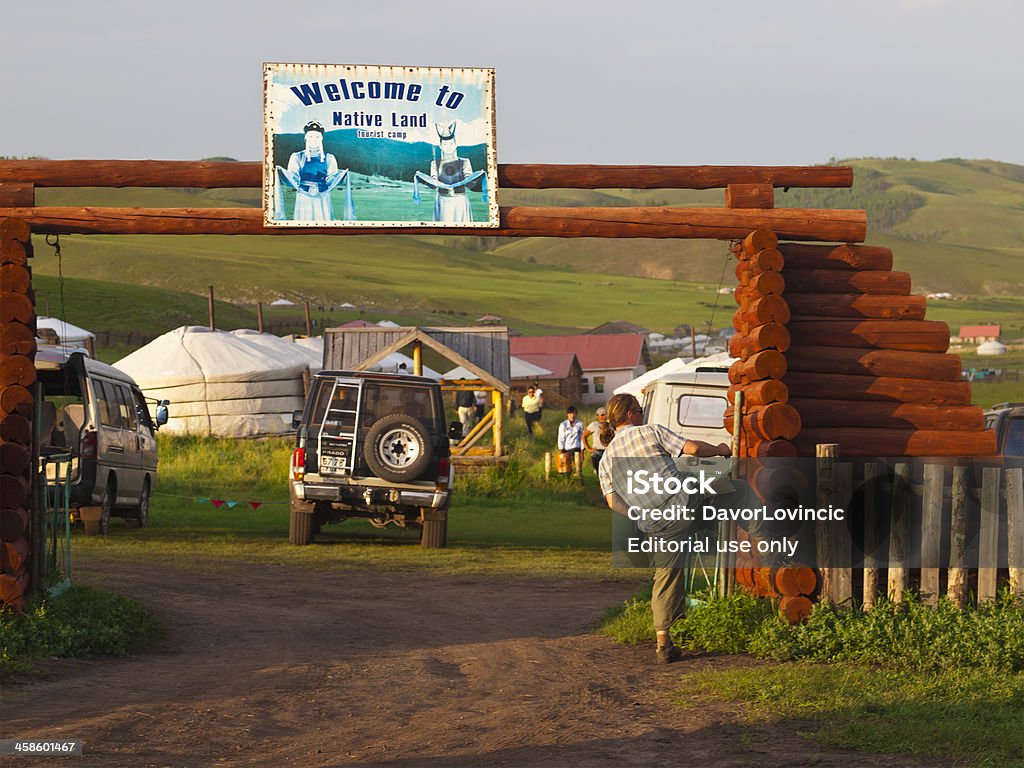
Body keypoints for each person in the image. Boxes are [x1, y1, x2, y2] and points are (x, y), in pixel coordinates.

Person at [597, 392, 731, 665]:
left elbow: (612, 501)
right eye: (639, 409)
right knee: (728, 487)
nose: (642, 413)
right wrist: (720, 449)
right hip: (683, 502)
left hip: (656, 524)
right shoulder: (650, 432)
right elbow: (692, 449)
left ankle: (663, 645)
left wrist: (638, 513)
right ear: (632, 414)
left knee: (666, 576)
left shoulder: (606, 458)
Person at [274, 121, 354, 222]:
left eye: (317, 137)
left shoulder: (329, 158)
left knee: (324, 219)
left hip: (323, 195)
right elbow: (293, 178)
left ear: (321, 139)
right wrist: (282, 172)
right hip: (304, 195)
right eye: (311, 136)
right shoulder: (297, 156)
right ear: (306, 138)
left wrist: (341, 175)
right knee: (304, 220)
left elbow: (331, 179)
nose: (314, 140)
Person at [412, 121, 488, 223]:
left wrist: (476, 176)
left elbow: (469, 183)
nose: (448, 146)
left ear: (456, 145)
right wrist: (423, 179)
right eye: (445, 144)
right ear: (441, 146)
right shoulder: (435, 163)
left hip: (460, 201)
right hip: (442, 201)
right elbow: (434, 184)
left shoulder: (464, 162)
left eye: (451, 143)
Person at [557, 406, 585, 471]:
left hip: (577, 449)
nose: (572, 416)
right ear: (567, 414)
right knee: (568, 468)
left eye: (574, 413)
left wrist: (582, 451)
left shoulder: (580, 424)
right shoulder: (563, 425)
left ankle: (578, 479)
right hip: (567, 450)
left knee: (578, 468)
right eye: (570, 414)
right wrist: (562, 451)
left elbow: (582, 438)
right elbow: (561, 439)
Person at [582, 406, 610, 472]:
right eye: (602, 415)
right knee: (599, 472)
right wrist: (588, 448)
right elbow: (583, 436)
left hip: (607, 451)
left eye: (605, 415)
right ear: (597, 416)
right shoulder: (594, 425)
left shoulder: (610, 425)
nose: (604, 417)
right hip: (597, 452)